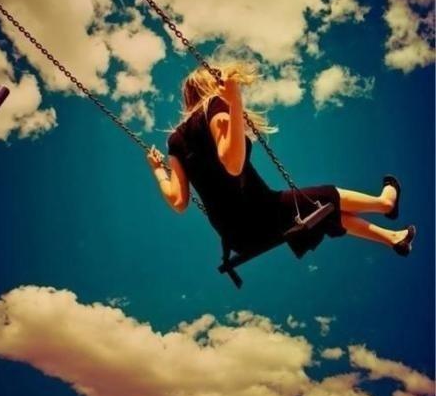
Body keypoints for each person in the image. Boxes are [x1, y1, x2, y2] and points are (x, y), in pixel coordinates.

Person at [147, 62, 416, 261]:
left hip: (238, 237)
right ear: (210, 88)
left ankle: (393, 238)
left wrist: (158, 170)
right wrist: (234, 101)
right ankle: (384, 204)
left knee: (323, 213)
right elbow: (232, 164)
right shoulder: (214, 107)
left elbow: (178, 201)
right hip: (261, 212)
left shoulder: (175, 140)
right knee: (327, 194)